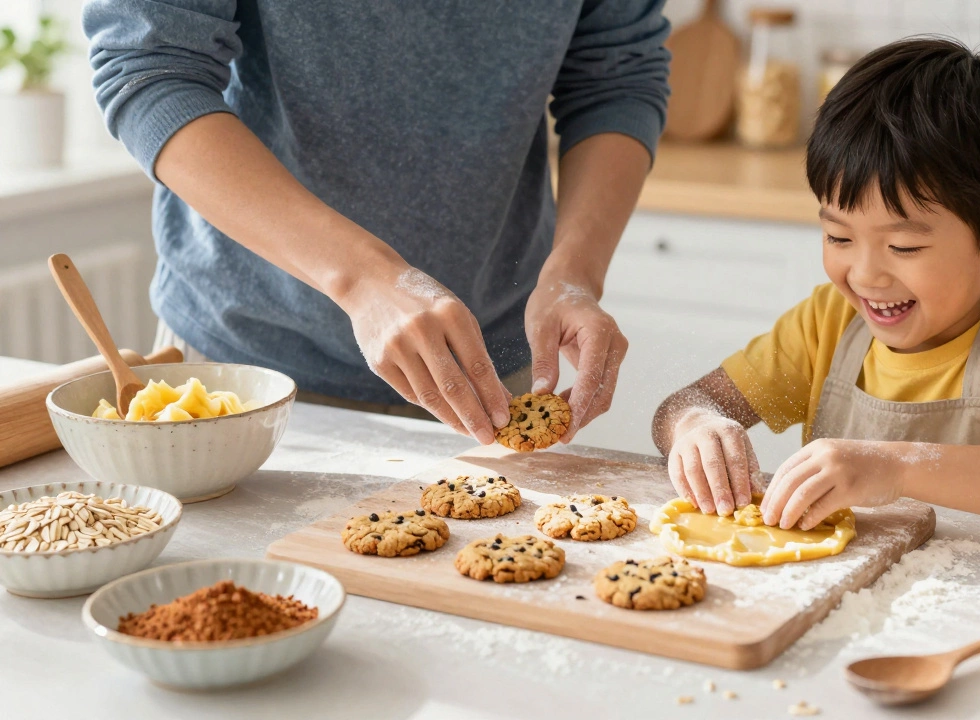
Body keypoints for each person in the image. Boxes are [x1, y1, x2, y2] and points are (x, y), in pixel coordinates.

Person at [82, 2, 671, 445]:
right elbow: (149, 71)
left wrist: (574, 273)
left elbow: (615, 79)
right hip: (242, 372)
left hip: (492, 374)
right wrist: (363, 277)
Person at [652, 37, 980, 532]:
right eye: (838, 236)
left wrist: (897, 467)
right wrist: (697, 427)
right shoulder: (827, 325)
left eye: (903, 247)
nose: (864, 275)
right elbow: (684, 406)